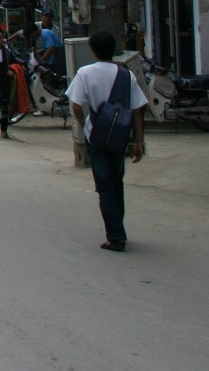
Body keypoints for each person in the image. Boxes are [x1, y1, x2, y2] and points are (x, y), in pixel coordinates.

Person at [66, 31, 147, 252]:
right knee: (116, 181)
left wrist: (86, 127)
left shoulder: (85, 73)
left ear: (93, 50)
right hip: (120, 135)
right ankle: (117, 227)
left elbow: (75, 105)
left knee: (104, 186)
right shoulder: (125, 75)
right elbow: (138, 110)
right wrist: (139, 141)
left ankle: (116, 235)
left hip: (97, 135)